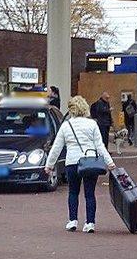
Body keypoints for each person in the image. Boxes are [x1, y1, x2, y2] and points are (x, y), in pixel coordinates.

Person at [45, 96, 115, 233]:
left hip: (72, 162)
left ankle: (72, 221)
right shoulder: (92, 124)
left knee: (73, 192)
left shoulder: (66, 125)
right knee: (90, 194)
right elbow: (100, 146)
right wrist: (110, 162)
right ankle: (90, 223)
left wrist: (49, 165)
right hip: (90, 161)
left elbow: (56, 148)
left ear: (71, 110)